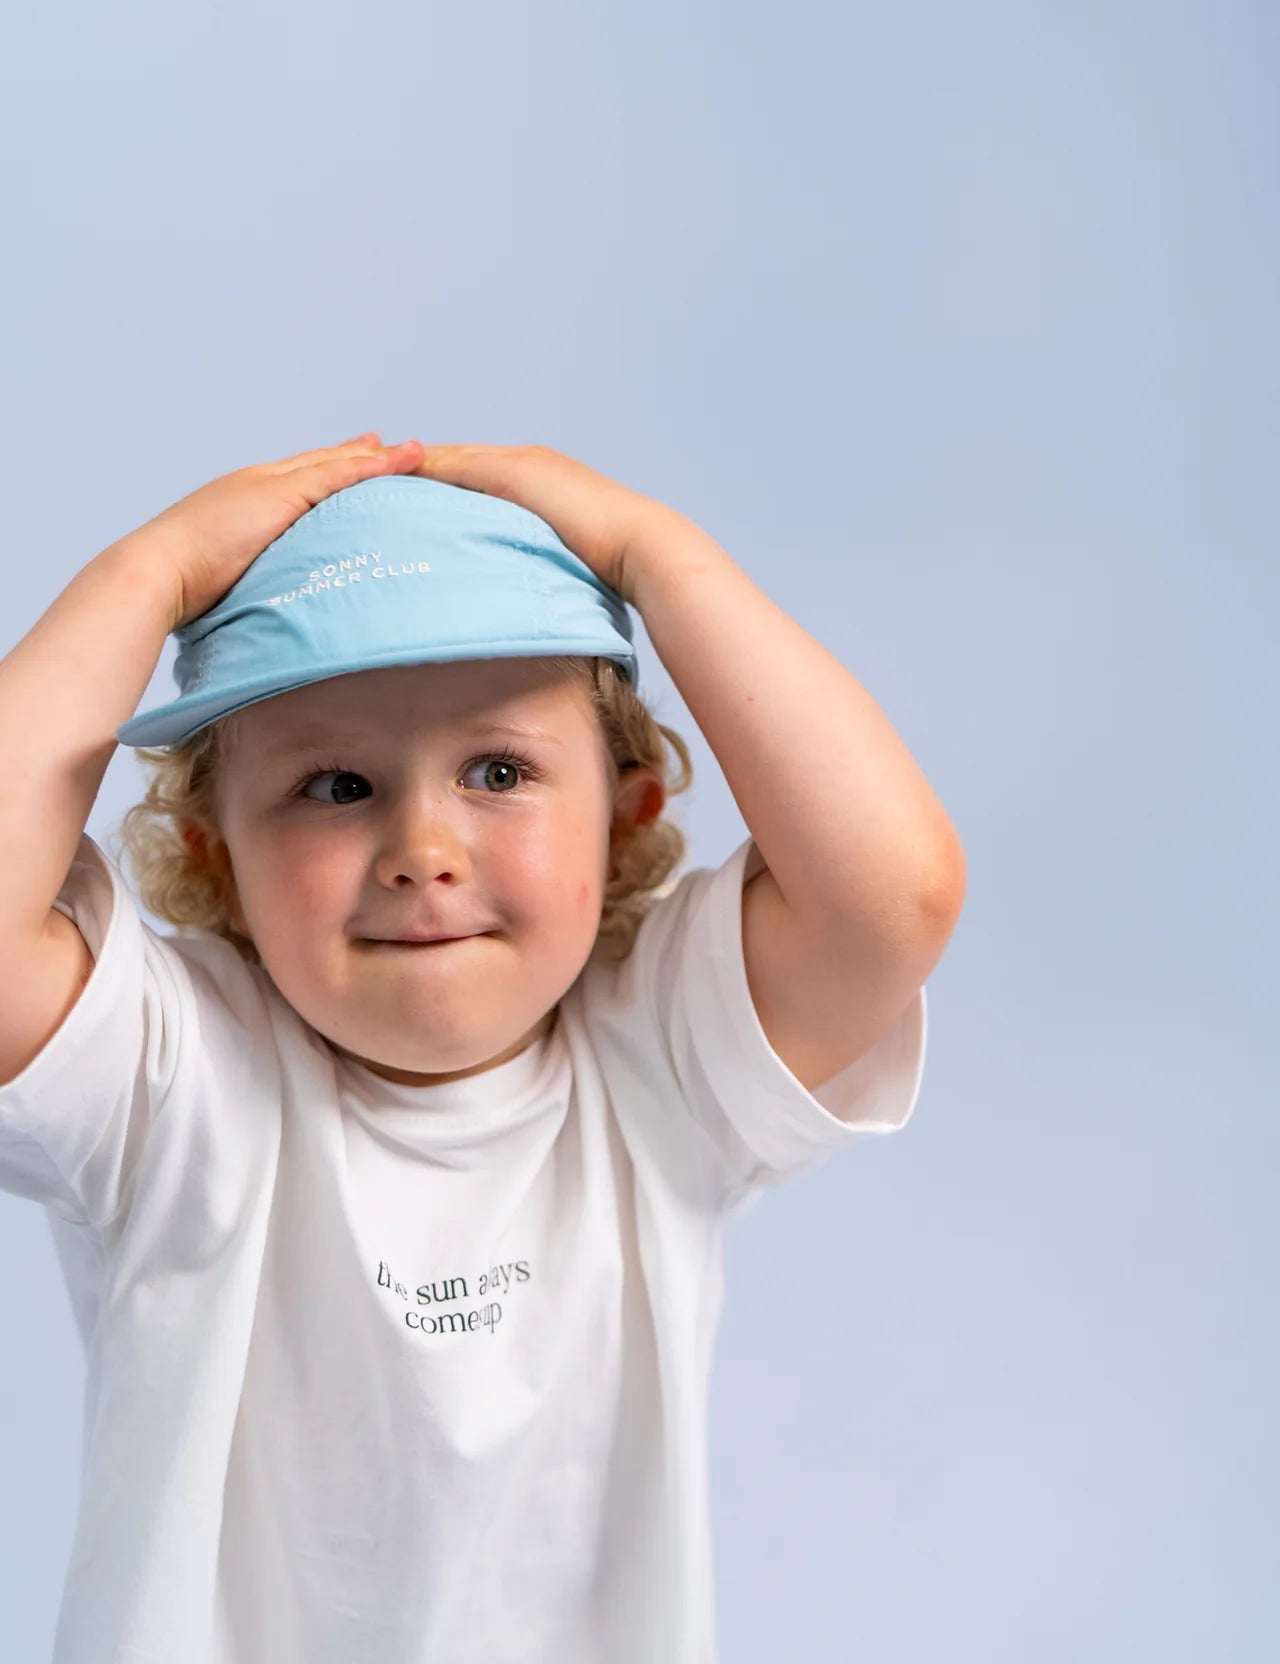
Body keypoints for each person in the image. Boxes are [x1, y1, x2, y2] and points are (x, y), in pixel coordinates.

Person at [0, 433, 966, 1664]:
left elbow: (894, 893)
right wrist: (146, 572)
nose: (422, 845)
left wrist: (658, 557)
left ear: (623, 818)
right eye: (336, 784)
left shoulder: (663, 1054)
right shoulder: (169, 1070)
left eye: (498, 769)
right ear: (209, 850)